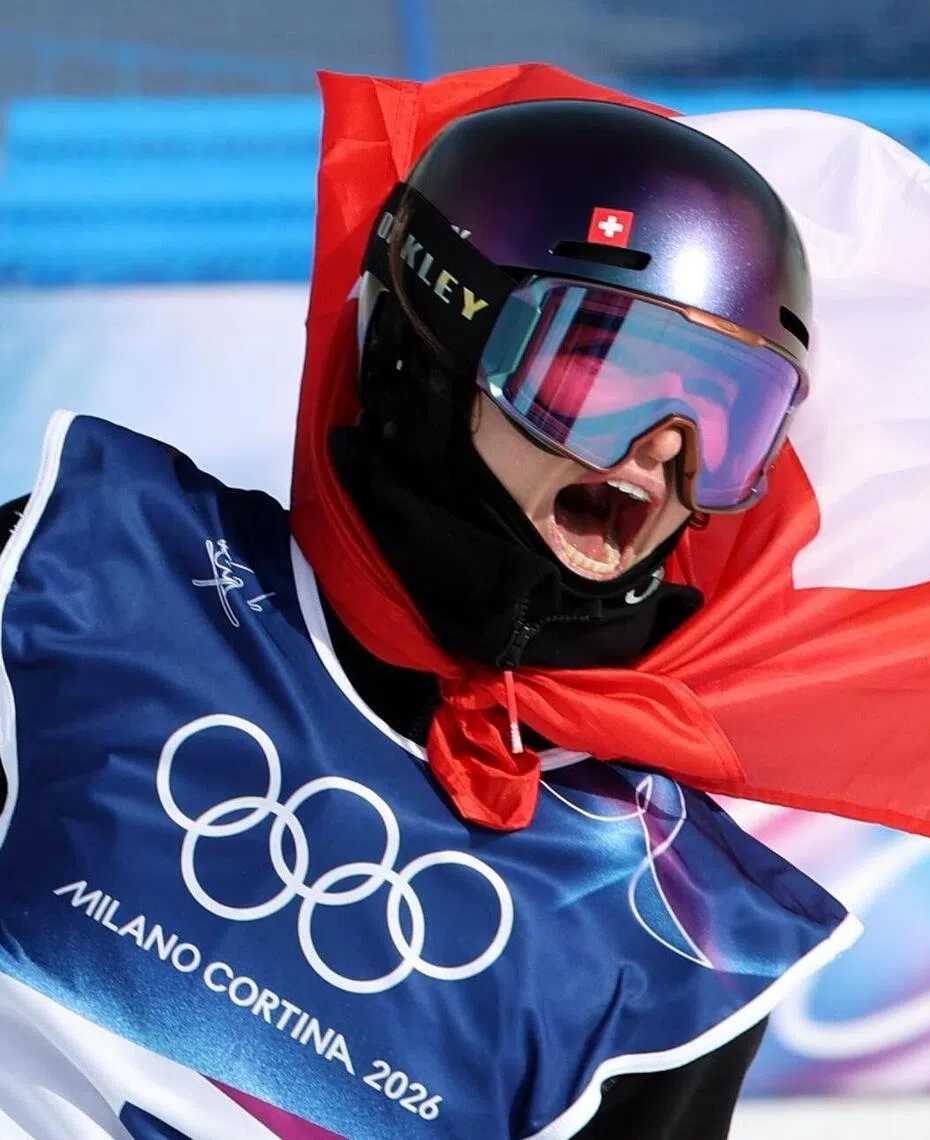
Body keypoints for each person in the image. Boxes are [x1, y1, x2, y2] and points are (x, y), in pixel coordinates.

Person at [0, 94, 856, 1139]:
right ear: (439, 337)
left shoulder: (681, 934)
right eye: (599, 373)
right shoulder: (95, 575)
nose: (660, 452)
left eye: (726, 418)